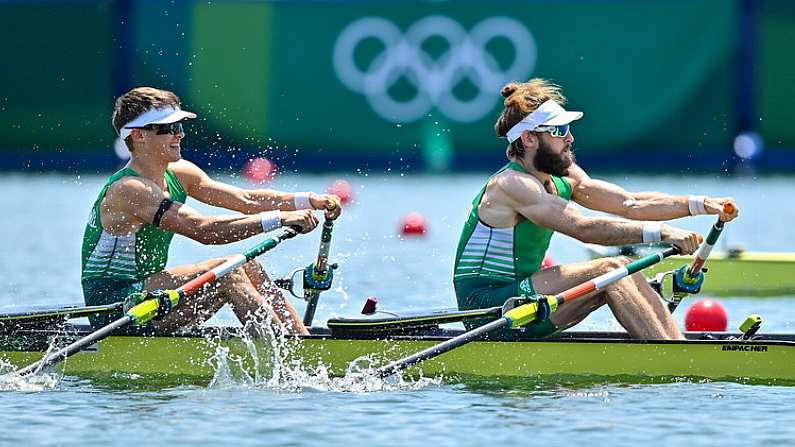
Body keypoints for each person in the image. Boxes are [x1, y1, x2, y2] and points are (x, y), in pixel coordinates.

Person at [452, 78, 738, 340]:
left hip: (524, 296)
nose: (570, 138)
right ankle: (666, 358)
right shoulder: (510, 184)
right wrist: (664, 233)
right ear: (529, 138)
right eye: (559, 130)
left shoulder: (563, 176)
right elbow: (583, 228)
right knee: (611, 268)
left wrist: (701, 204)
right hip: (486, 308)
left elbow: (630, 203)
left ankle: (676, 346)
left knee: (622, 269)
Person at [81, 87, 341, 336]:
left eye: (179, 127)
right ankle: (287, 357)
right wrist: (281, 219)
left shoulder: (180, 173)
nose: (179, 134)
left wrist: (309, 200)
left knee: (249, 265)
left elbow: (245, 199)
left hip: (151, 299)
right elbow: (204, 230)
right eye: (169, 128)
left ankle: (300, 341)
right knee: (228, 270)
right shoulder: (129, 188)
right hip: (115, 309)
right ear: (139, 135)